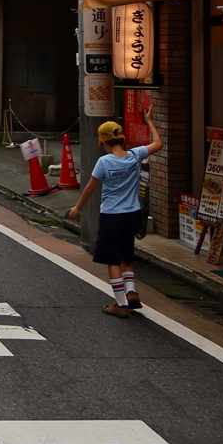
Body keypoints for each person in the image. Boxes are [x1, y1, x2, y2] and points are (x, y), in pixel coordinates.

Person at [68, 109, 163, 318]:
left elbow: (90, 188)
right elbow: (158, 144)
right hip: (132, 214)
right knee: (126, 256)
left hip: (111, 215)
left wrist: (78, 208)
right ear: (122, 139)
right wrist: (149, 122)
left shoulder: (104, 162)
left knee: (113, 260)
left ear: (104, 143)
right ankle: (131, 292)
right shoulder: (134, 155)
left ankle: (120, 304)